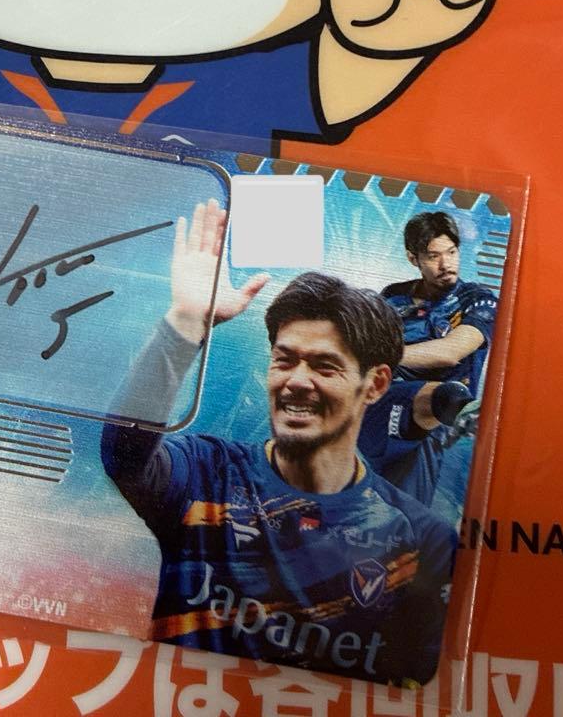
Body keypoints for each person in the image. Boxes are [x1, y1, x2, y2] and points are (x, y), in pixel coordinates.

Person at [101, 200, 456, 685]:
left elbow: (412, 682)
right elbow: (123, 455)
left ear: (374, 385)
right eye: (284, 360)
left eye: (324, 367)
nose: (297, 381)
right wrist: (184, 324)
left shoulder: (423, 540)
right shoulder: (207, 473)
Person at [358, 212, 497, 504]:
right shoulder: (392, 298)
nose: (446, 265)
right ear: (414, 259)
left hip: (431, 419)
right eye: (434, 256)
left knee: (404, 511)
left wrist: (382, 356)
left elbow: (451, 352)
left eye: (452, 252)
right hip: (380, 405)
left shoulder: (477, 299)